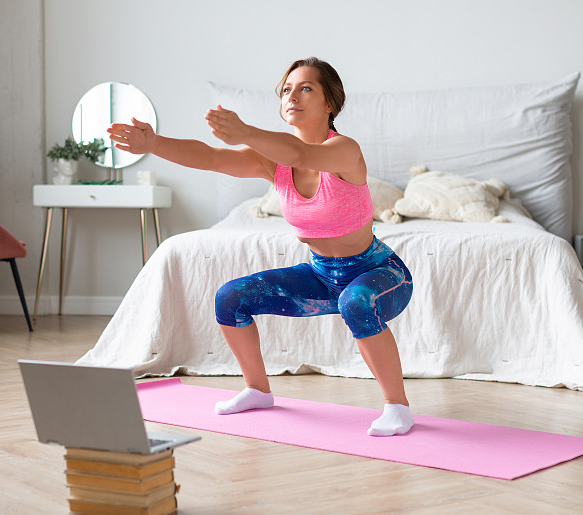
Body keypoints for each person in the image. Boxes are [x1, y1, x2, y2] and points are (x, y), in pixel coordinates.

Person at [108, 57, 414, 437]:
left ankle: (397, 407)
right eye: (286, 89)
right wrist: (153, 142)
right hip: (322, 274)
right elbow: (212, 158)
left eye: (305, 88)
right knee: (231, 298)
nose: (292, 96)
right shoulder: (274, 162)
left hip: (379, 274)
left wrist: (246, 132)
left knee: (356, 302)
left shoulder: (344, 151)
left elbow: (301, 154)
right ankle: (256, 390)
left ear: (330, 103)